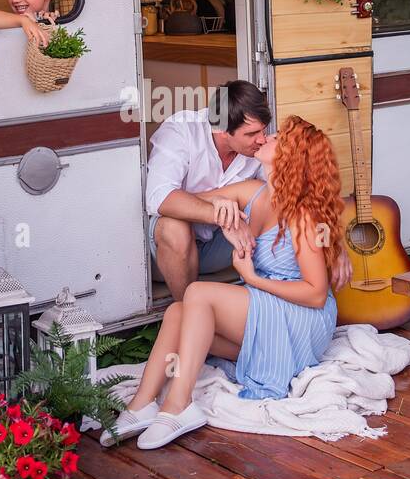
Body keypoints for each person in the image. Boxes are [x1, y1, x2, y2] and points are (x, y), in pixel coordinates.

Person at [106, 116, 348, 449]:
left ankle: (179, 406)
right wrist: (219, 209)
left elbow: (317, 294)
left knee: (198, 294)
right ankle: (142, 404)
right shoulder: (254, 192)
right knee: (178, 312)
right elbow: (189, 199)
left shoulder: (303, 216)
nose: (266, 138)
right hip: (268, 314)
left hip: (301, 319)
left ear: (290, 157)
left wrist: (251, 279)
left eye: (277, 138)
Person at [144, 81, 271, 303]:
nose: (261, 139)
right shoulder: (181, 130)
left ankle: (269, 308)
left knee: (268, 205)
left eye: (263, 130)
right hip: (166, 252)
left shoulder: (259, 146)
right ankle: (188, 313)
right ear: (221, 129)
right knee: (175, 227)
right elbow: (158, 197)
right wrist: (220, 215)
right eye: (252, 133)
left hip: (220, 245)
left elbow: (281, 201)